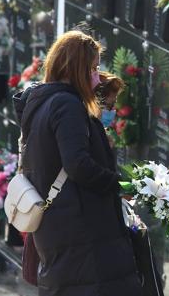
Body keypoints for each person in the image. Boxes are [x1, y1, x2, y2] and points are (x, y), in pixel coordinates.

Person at [13, 31, 143, 296]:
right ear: (77, 68)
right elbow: (78, 165)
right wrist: (121, 185)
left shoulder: (42, 103)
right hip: (81, 233)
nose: (97, 75)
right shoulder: (65, 104)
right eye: (93, 68)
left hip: (61, 231)